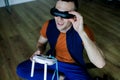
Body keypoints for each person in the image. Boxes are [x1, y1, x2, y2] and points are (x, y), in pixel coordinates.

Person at [16, 0, 106, 80]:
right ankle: (60, 77)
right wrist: (40, 50)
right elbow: (41, 43)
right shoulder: (49, 25)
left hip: (73, 67)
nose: (59, 19)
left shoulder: (83, 30)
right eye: (56, 12)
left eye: (64, 15)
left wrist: (81, 32)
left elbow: (100, 64)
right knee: (21, 70)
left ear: (74, 16)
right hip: (51, 60)